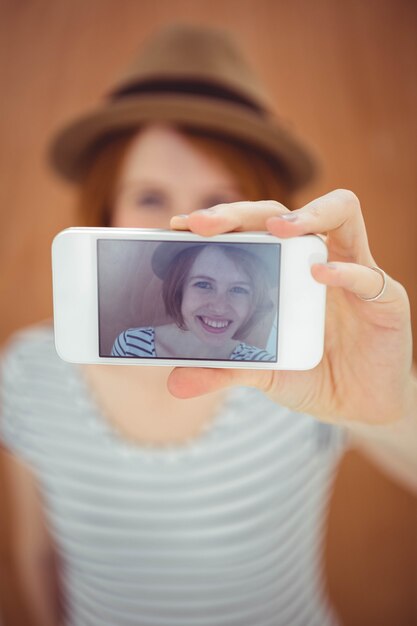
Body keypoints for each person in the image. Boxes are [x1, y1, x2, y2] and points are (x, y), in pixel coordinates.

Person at [1, 22, 416, 626]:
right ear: (106, 211)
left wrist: (390, 406)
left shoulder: (300, 365)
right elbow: (34, 553)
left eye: (219, 199)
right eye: (149, 196)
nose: (188, 225)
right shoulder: (30, 371)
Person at [111, 242, 277, 361]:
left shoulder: (261, 363)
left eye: (238, 289)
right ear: (179, 290)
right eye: (204, 285)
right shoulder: (130, 345)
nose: (219, 307)